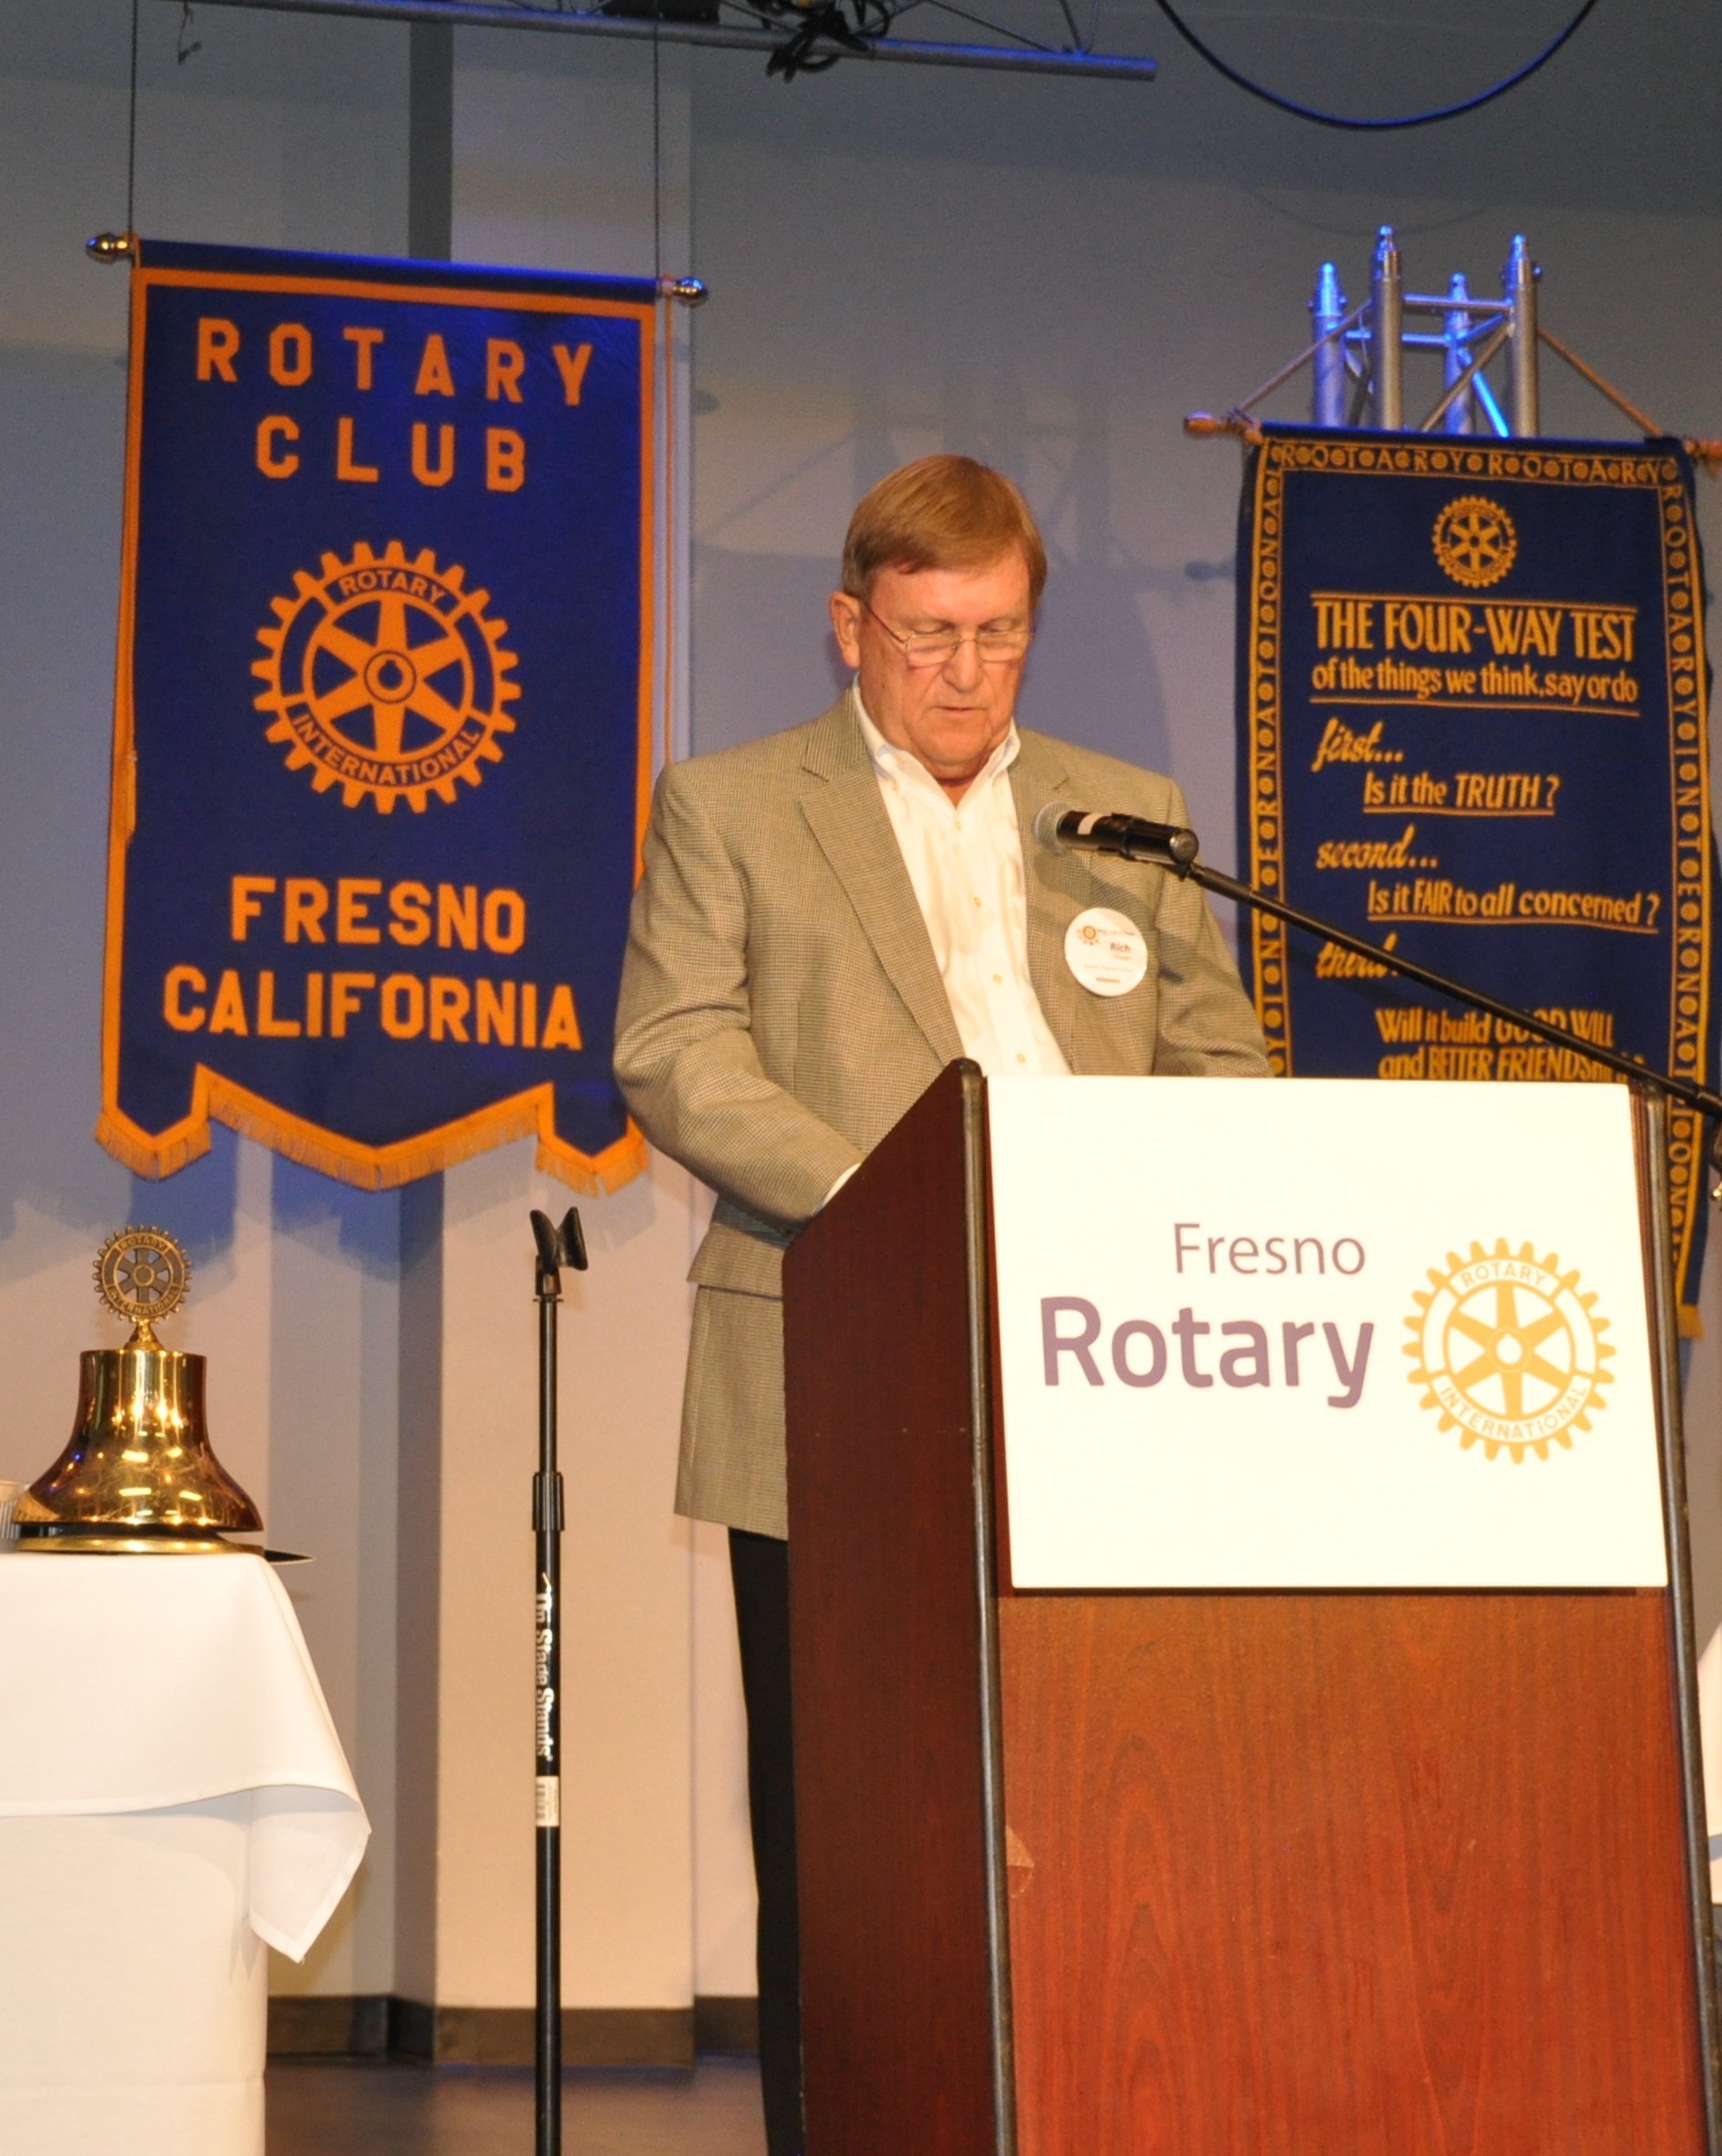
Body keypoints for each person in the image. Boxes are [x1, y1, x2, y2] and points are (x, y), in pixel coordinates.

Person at [611, 455, 1267, 2154]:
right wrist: (889, 1209)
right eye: (927, 636)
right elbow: (674, 1051)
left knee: (1108, 1786)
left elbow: (1220, 1058)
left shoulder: (1124, 812)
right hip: (838, 1352)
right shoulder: (733, 805)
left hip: (1114, 1362)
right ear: (852, 628)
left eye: (998, 633)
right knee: (843, 1824)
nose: (966, 673)